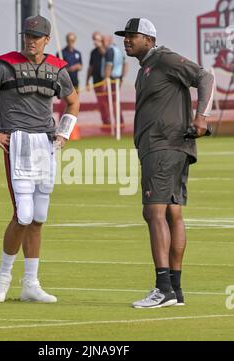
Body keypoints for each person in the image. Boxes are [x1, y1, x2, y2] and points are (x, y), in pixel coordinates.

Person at [0, 15, 79, 303]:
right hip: (17, 142)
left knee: (39, 217)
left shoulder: (57, 69)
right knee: (23, 214)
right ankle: (3, 277)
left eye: (36, 36)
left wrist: (64, 131)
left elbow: (73, 100)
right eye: (27, 35)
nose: (30, 40)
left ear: (46, 39)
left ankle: (31, 283)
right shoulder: (6, 65)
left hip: (46, 143)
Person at [115, 18, 214, 308]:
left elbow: (204, 77)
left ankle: (163, 288)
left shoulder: (163, 58)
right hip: (169, 146)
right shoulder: (145, 68)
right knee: (172, 213)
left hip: (164, 146)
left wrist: (201, 117)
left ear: (149, 39)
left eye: (132, 36)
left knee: (153, 213)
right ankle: (176, 290)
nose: (126, 40)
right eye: (125, 36)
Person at [102, 35, 127, 128]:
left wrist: (105, 80)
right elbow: (125, 64)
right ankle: (119, 122)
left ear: (109, 41)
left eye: (103, 41)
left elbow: (108, 66)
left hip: (112, 80)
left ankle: (117, 123)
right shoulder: (119, 50)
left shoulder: (110, 51)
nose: (102, 43)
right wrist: (122, 77)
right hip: (118, 79)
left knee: (112, 102)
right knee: (115, 101)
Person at [86, 31, 110, 127]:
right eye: (94, 39)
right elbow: (90, 67)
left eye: (97, 39)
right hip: (96, 81)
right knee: (101, 103)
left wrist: (100, 46)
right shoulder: (93, 52)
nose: (95, 41)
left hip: (107, 81)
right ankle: (105, 122)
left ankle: (112, 122)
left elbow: (106, 56)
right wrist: (87, 81)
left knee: (108, 102)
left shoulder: (107, 50)